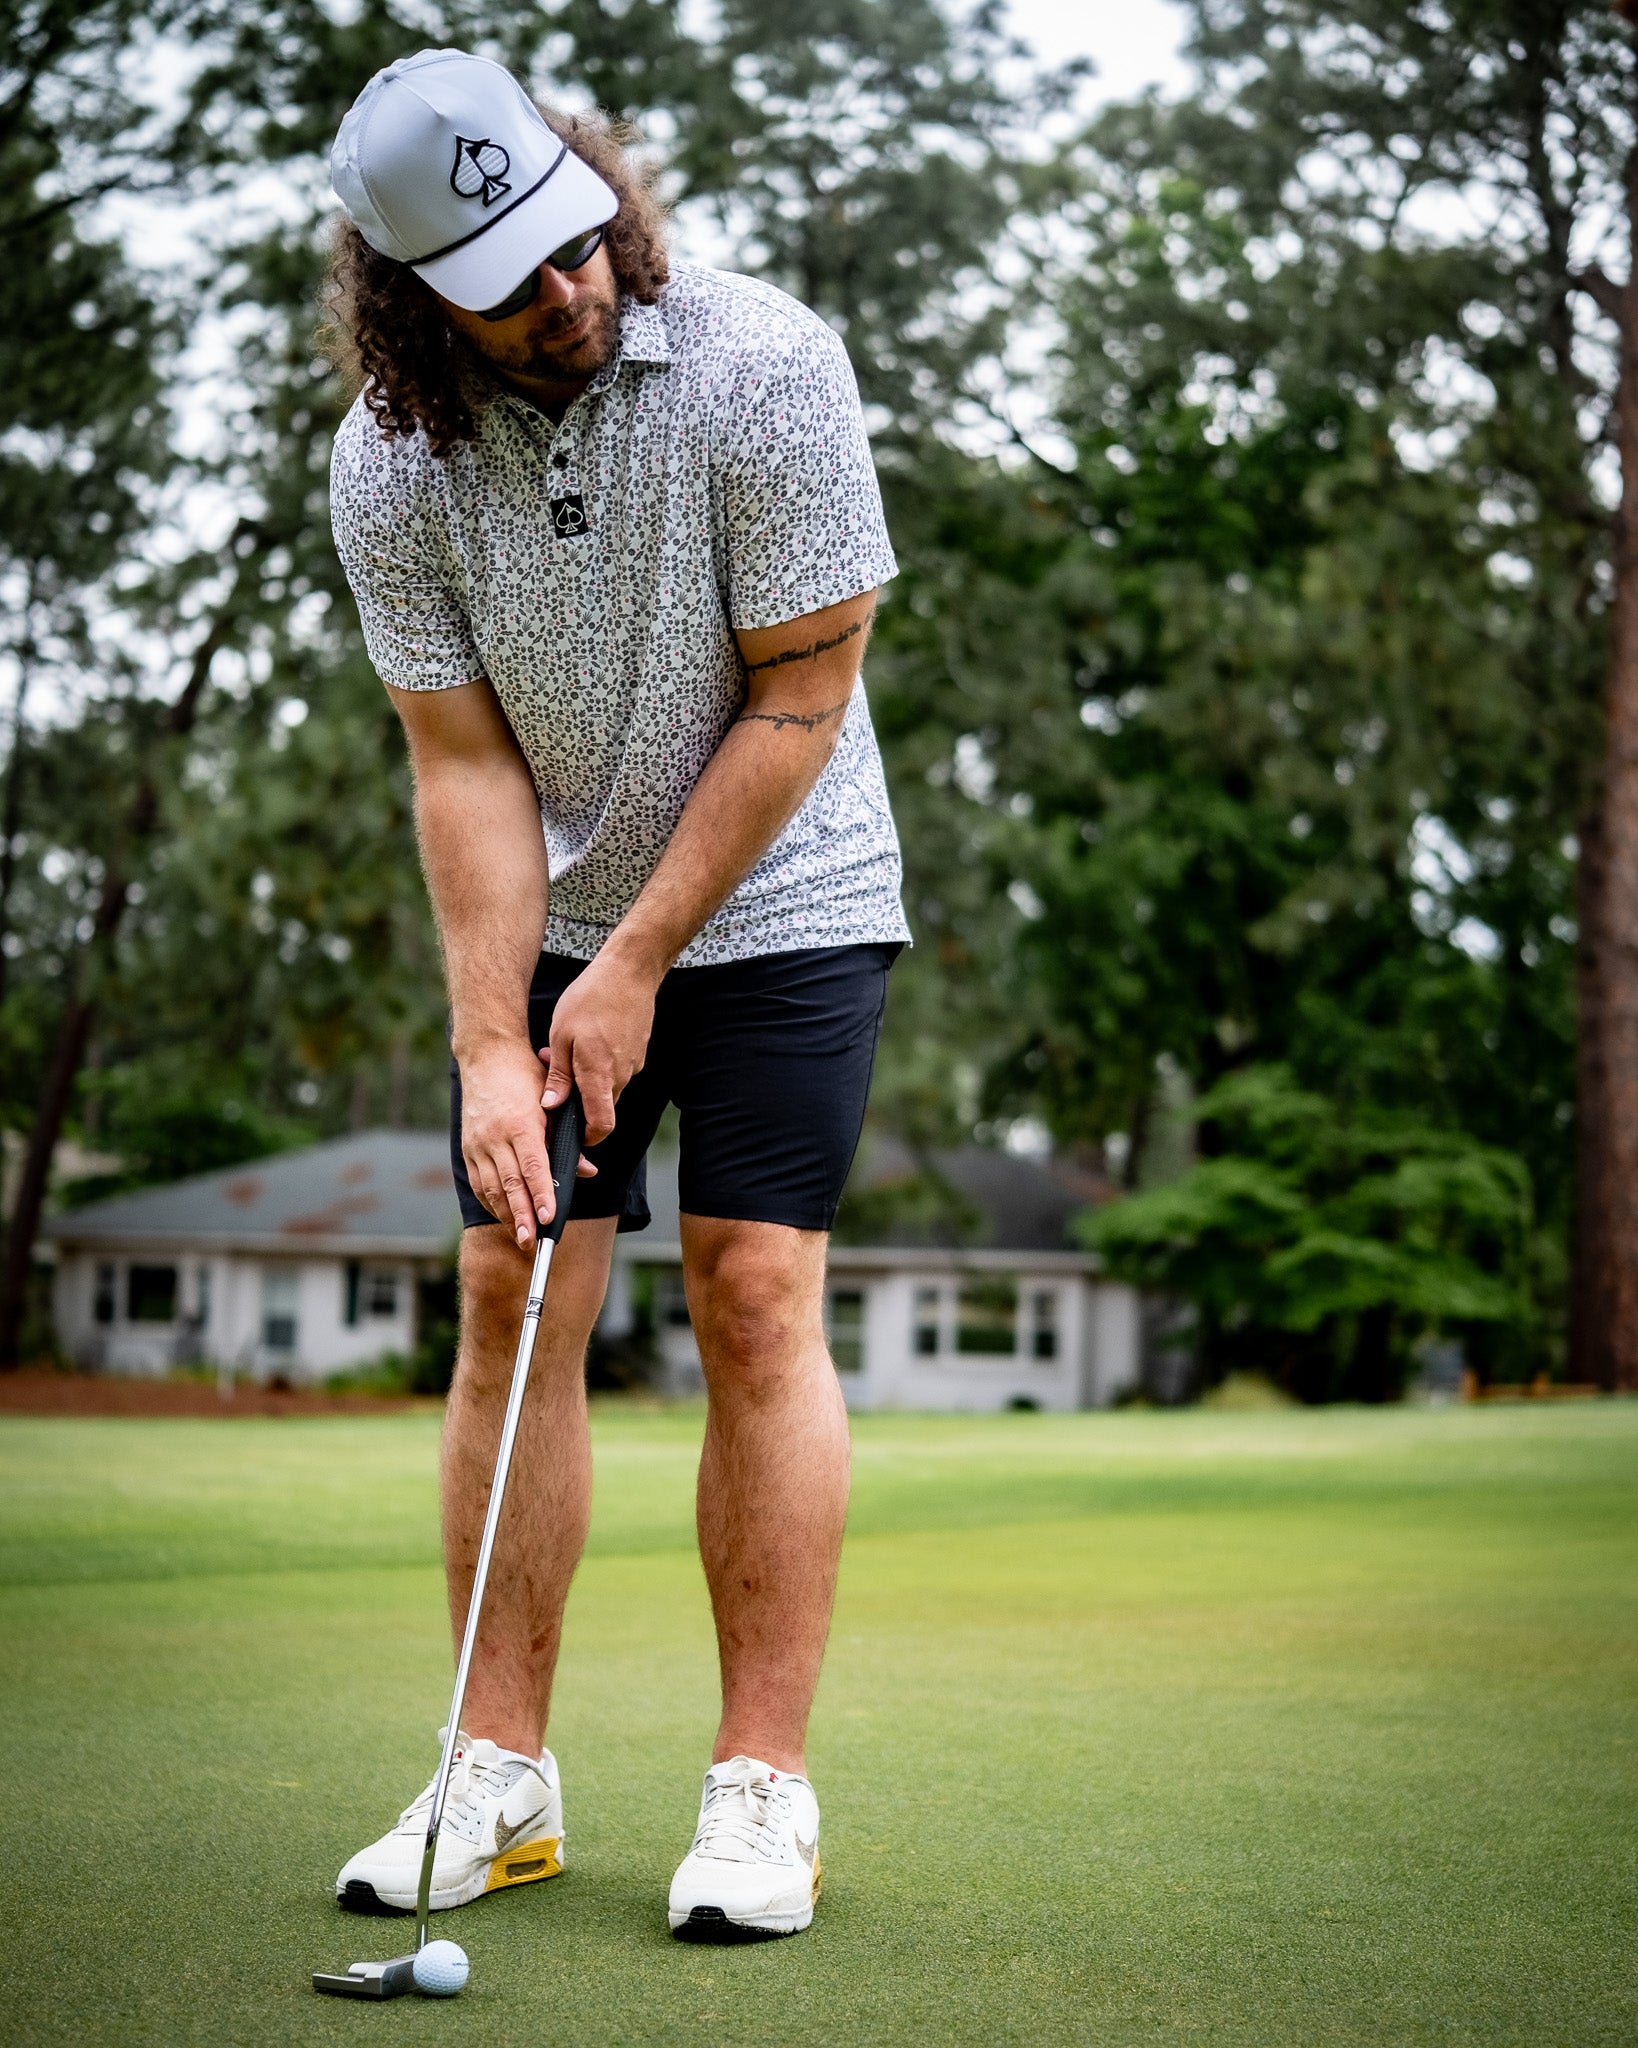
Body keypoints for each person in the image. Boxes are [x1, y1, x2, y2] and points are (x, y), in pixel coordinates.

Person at [321, 47, 908, 1943]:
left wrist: (641, 956)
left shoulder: (765, 362)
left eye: (571, 238)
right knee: (511, 1283)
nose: (562, 288)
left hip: (789, 886)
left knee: (752, 1289)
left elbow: (801, 696)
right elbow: (465, 767)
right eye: (504, 275)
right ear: (414, 302)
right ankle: (497, 1777)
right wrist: (498, 1038)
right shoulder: (389, 464)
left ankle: (760, 1795)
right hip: (558, 907)